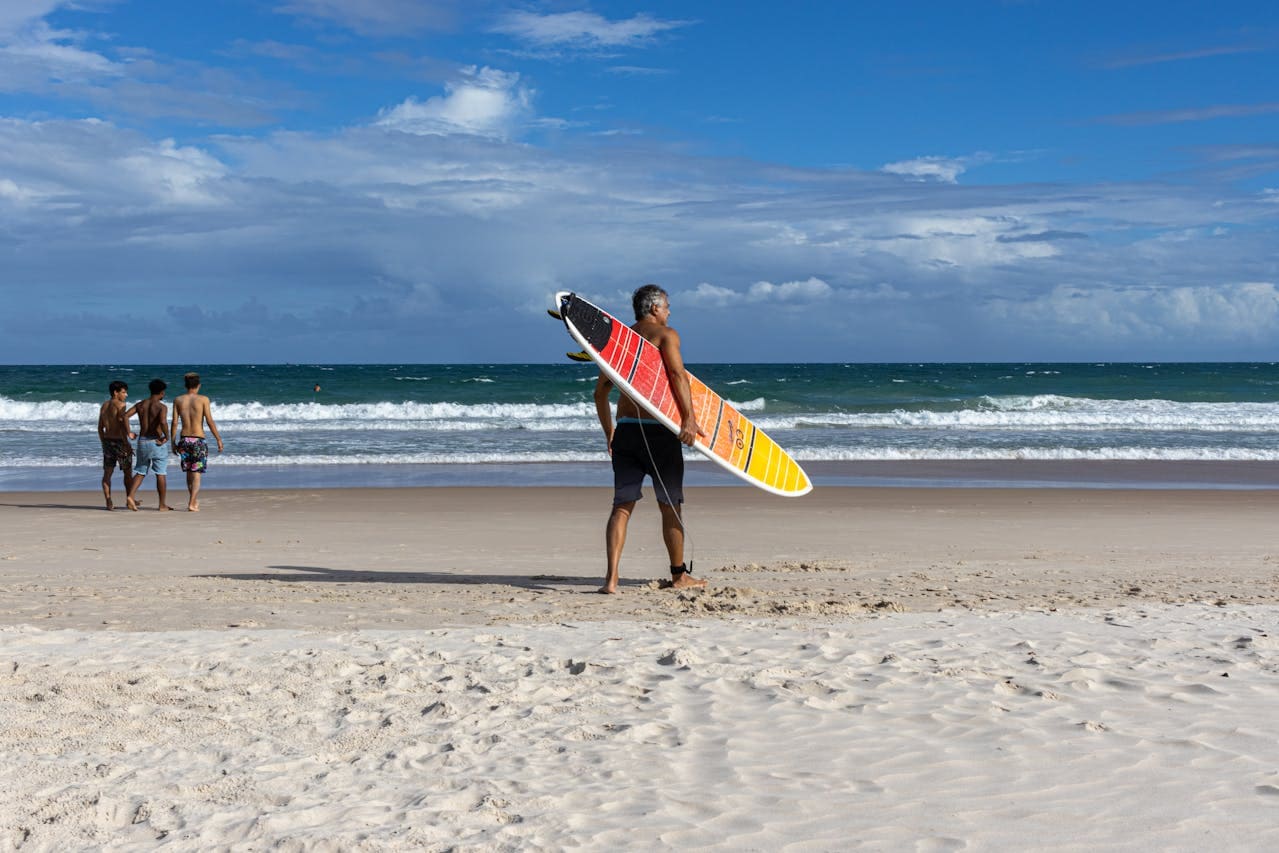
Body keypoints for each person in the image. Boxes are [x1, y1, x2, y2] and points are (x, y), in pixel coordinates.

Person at [593, 284, 708, 594]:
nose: (669, 311)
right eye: (667, 305)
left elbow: (600, 392)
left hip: (626, 432)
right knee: (670, 505)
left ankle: (611, 579)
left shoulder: (619, 342)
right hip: (659, 432)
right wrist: (689, 418)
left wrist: (610, 433)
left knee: (622, 506)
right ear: (655, 308)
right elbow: (677, 375)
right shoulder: (667, 335)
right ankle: (678, 576)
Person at [170, 372, 224, 512]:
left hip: (184, 440)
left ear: (185, 385)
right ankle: (192, 502)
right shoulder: (203, 399)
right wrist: (218, 438)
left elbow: (174, 423)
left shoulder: (178, 400)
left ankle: (193, 501)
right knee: (197, 473)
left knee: (189, 472)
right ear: (198, 385)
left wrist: (172, 442)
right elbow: (209, 421)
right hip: (198, 440)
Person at [124, 379, 173, 511]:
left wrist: (129, 432)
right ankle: (162, 504)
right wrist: (166, 437)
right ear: (162, 393)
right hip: (156, 442)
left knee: (140, 471)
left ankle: (131, 496)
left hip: (142, 441)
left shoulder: (140, 405)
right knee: (161, 473)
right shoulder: (162, 407)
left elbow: (125, 416)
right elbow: (163, 422)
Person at [97, 380, 136, 511]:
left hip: (107, 441)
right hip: (120, 442)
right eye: (124, 392)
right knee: (127, 472)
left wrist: (103, 442)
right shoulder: (121, 405)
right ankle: (129, 499)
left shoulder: (104, 406)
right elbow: (122, 425)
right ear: (116, 392)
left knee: (107, 473)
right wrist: (127, 442)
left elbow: (100, 428)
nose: (126, 395)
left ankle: (108, 501)